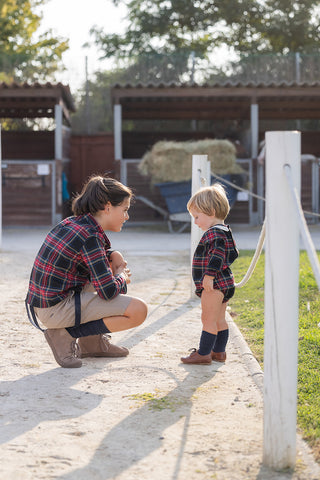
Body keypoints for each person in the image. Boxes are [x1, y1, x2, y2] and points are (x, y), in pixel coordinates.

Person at [25, 175, 148, 368]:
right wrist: (121, 277)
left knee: (103, 272)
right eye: (124, 210)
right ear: (108, 207)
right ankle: (65, 334)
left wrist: (112, 254)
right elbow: (107, 291)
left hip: (47, 305)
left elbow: (89, 261)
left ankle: (92, 343)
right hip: (55, 310)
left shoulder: (74, 223)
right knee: (138, 311)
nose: (127, 217)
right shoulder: (90, 236)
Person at [181, 183, 238, 365]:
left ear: (211, 212)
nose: (195, 222)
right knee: (220, 319)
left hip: (214, 284)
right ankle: (219, 352)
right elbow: (233, 253)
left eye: (197, 217)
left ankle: (204, 353)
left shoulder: (214, 234)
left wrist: (210, 275)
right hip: (226, 283)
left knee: (208, 318)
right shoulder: (225, 231)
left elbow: (217, 255)